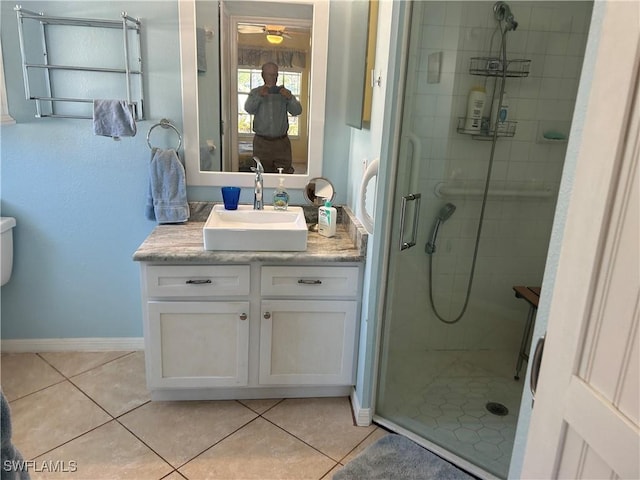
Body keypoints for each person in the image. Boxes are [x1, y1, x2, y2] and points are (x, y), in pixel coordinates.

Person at [244, 62, 302, 174]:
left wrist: (290, 99)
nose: (273, 78)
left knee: (284, 175)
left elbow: (297, 111)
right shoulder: (256, 92)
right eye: (269, 74)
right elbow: (248, 109)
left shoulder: (285, 93)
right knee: (261, 175)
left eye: (275, 75)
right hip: (261, 143)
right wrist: (259, 96)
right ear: (263, 75)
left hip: (282, 142)